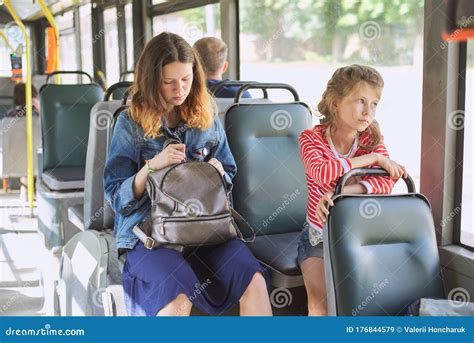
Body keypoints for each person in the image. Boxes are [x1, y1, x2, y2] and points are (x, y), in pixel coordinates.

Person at [104, 32, 272, 317]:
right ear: (150, 80)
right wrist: (151, 166)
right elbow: (116, 197)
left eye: (186, 79)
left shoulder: (205, 114)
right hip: (148, 232)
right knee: (177, 297)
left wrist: (217, 174)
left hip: (206, 225)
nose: (179, 89)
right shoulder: (129, 122)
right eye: (168, 82)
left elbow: (228, 170)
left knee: (253, 279)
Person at [298, 64, 407, 316]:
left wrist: (343, 193)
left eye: (374, 104)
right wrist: (370, 161)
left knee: (365, 301)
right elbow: (322, 171)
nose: (368, 111)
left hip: (361, 235)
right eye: (360, 101)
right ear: (335, 104)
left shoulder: (372, 140)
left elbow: (386, 183)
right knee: (320, 304)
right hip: (317, 237)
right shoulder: (310, 138)